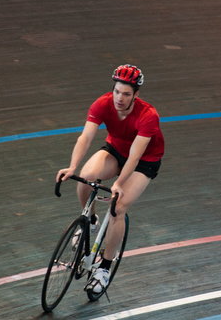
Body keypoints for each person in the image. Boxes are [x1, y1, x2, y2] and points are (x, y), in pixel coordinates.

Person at [56, 64, 164, 294]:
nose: (120, 98)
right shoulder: (102, 103)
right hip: (116, 150)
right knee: (85, 176)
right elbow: (85, 137)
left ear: (136, 95)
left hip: (144, 160)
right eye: (117, 91)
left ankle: (104, 267)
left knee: (119, 207)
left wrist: (117, 184)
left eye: (126, 94)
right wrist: (72, 166)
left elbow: (135, 157)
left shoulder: (148, 116)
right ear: (112, 89)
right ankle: (92, 219)